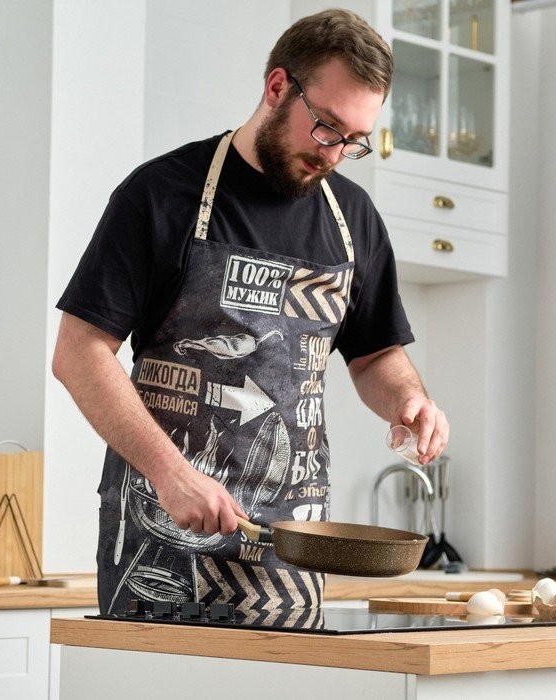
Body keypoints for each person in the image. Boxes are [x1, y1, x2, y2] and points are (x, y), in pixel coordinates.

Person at [52, 8, 449, 617]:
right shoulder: (161, 194)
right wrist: (171, 473)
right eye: (327, 127)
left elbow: (375, 356)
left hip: (293, 554)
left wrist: (408, 400)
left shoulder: (354, 219)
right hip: (163, 540)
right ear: (277, 87)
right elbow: (79, 353)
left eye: (355, 141)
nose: (335, 154)